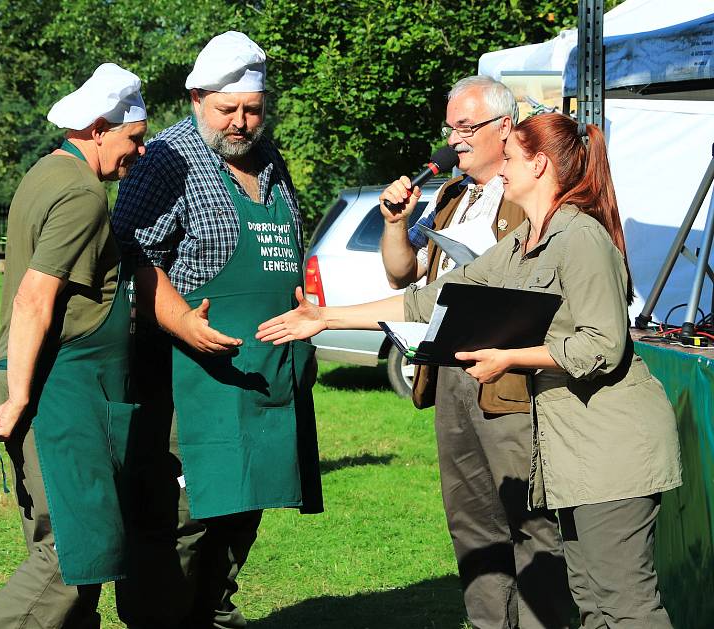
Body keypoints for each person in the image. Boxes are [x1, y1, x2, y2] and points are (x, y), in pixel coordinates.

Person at [256, 112, 682, 628]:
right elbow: (434, 299)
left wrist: (510, 358)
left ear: (540, 164)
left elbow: (603, 346)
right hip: (575, 448)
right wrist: (327, 317)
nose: (502, 168)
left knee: (625, 603)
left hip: (612, 447)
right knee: (591, 600)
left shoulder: (581, 237)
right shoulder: (527, 239)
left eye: (513, 158)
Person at [111, 31, 322, 629]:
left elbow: (288, 248)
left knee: (246, 504)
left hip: (266, 371)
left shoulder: (271, 158)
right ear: (198, 98)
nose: (239, 122)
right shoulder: (166, 161)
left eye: (251, 109)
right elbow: (129, 255)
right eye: (226, 109)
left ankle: (211, 614)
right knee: (185, 515)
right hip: (190, 376)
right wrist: (181, 320)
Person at [380, 75, 572, 628]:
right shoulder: (449, 197)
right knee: (470, 522)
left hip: (512, 377)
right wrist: (395, 225)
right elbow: (402, 272)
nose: (455, 140)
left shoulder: (535, 192)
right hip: (450, 376)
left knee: (528, 517)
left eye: (466, 127)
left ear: (504, 127)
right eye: (451, 128)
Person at [0, 63, 148, 628]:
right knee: (73, 557)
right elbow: (33, 298)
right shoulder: (82, 194)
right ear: (99, 127)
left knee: (67, 547)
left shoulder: (44, 173)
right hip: (55, 388)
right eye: (135, 139)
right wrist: (20, 396)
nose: (140, 153)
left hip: (54, 384)